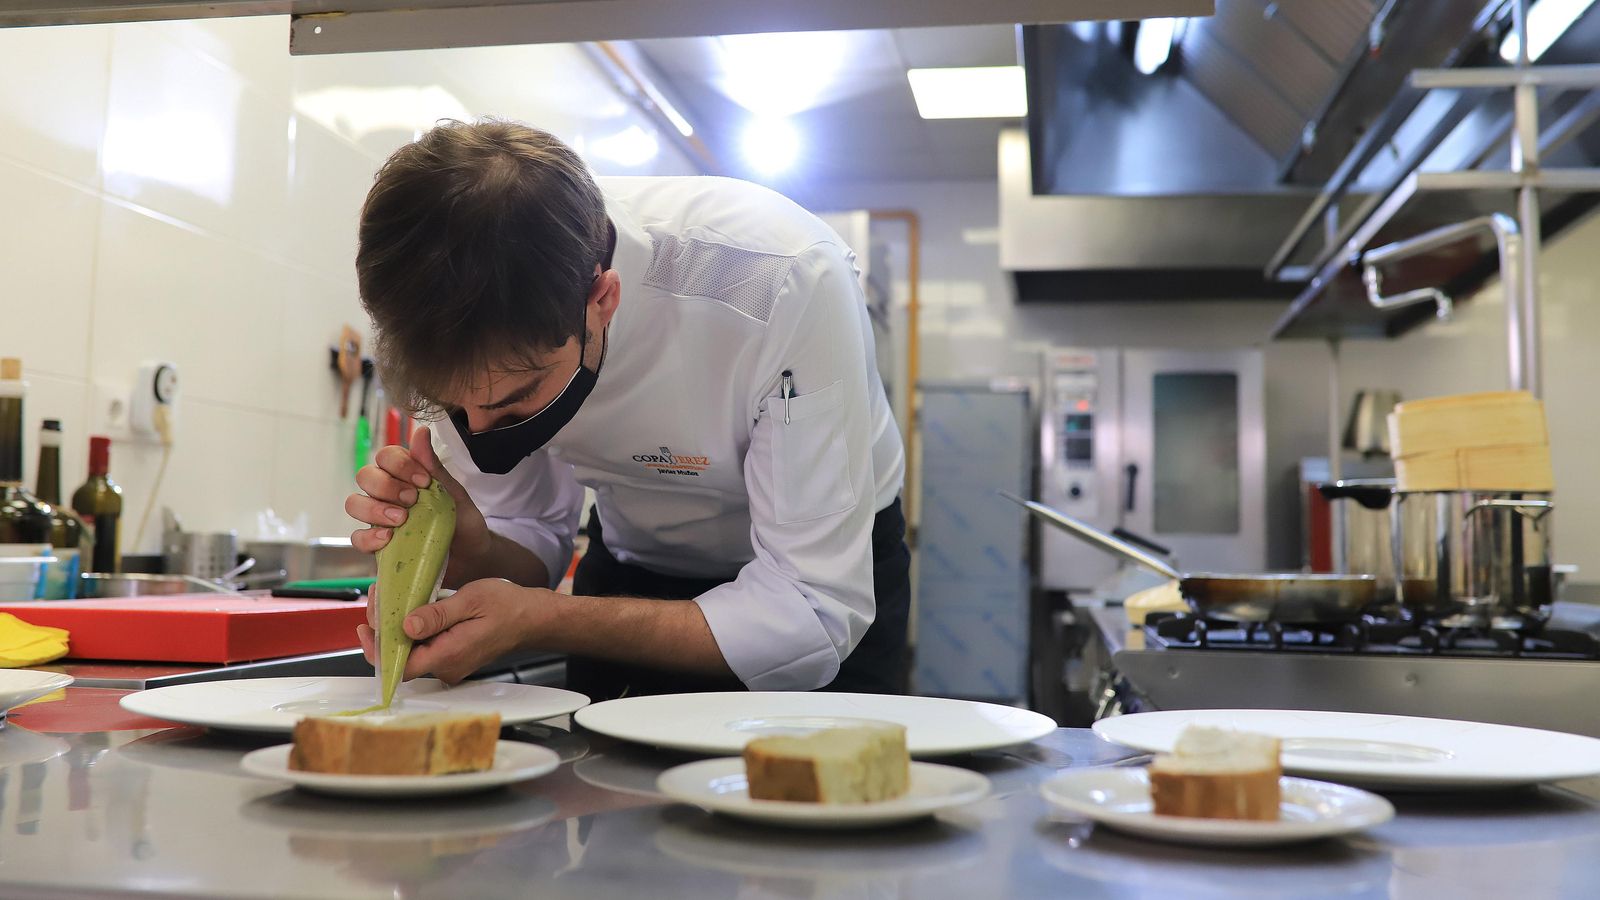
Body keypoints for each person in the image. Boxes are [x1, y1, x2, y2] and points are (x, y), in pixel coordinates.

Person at [344, 119, 907, 700]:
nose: (481, 431)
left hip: (823, 575)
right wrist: (470, 547)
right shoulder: (453, 307)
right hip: (630, 567)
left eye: (515, 401)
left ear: (602, 300)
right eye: (455, 408)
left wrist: (544, 618)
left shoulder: (784, 280)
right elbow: (532, 536)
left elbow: (807, 612)